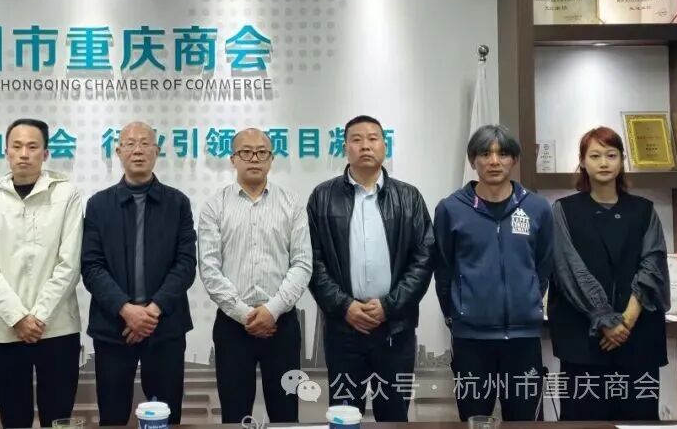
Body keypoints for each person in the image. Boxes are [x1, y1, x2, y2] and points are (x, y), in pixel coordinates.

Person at [307, 115, 434, 421]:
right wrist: (345, 306)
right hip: (344, 330)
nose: (365, 145)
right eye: (357, 139)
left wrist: (389, 306)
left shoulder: (409, 197)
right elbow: (312, 260)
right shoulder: (323, 197)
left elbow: (424, 257)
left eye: (373, 138)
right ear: (345, 148)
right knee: (344, 416)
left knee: (394, 416)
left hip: (395, 331)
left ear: (384, 146)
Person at [433, 124, 553, 421]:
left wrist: (526, 301)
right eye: (485, 154)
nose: (494, 161)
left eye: (503, 154)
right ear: (473, 160)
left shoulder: (537, 208)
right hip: (471, 339)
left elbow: (543, 265)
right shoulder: (451, 209)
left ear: (514, 159)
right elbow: (443, 268)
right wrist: (457, 312)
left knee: (524, 421)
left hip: (523, 338)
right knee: (474, 420)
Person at [549, 126, 669, 421]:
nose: (604, 163)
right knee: (583, 421)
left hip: (637, 339)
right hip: (583, 341)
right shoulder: (563, 210)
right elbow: (569, 269)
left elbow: (652, 265)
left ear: (622, 160)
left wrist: (624, 322)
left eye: (611, 155)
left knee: (638, 421)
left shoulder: (644, 210)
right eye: (595, 156)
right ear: (582, 162)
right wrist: (603, 318)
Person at [81, 121, 197, 426]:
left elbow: (186, 264)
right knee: (113, 417)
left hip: (165, 328)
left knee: (167, 415)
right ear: (118, 151)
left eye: (145, 143)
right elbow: (91, 266)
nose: (137, 150)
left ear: (157, 151)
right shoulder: (98, 205)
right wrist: (126, 310)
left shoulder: (178, 203)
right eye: (130, 144)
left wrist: (151, 312)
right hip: (113, 328)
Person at [0, 118, 83, 428]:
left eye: (33, 147)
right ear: (6, 152)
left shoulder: (67, 194)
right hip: (7, 330)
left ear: (45, 154)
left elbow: (70, 262)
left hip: (58, 328)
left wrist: (40, 316)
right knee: (14, 418)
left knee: (58, 418)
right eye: (17, 146)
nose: (24, 154)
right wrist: (19, 317)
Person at [198, 128, 312, 423]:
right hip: (232, 327)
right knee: (235, 417)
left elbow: (302, 264)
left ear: (271, 159)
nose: (254, 158)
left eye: (262, 152)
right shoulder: (215, 206)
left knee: (286, 416)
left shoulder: (291, 204)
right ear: (233, 159)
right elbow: (209, 268)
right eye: (246, 152)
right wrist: (245, 314)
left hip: (282, 326)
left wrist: (272, 311)